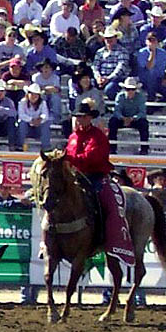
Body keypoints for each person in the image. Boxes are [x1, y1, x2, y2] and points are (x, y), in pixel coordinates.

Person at [64, 100, 136, 266]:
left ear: (90, 118)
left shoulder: (99, 136)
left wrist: (69, 158)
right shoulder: (73, 137)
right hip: (76, 175)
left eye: (83, 117)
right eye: (78, 117)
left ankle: (108, 235)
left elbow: (92, 158)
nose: (80, 120)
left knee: (106, 204)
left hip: (95, 176)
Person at [0, 184, 35, 304]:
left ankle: (26, 298)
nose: (5, 190)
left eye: (7, 187)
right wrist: (18, 203)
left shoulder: (13, 201)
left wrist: (25, 204)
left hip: (13, 238)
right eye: (2, 187)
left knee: (23, 265)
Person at [108, 77, 150, 155]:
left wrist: (133, 118)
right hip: (122, 119)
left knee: (144, 124)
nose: (130, 91)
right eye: (128, 89)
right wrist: (122, 118)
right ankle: (112, 148)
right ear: (124, 89)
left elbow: (142, 112)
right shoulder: (120, 96)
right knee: (112, 122)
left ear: (136, 89)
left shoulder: (141, 97)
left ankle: (144, 148)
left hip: (135, 120)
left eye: (132, 89)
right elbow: (117, 111)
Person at [92, 25, 131, 100]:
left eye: (111, 38)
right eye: (107, 38)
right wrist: (98, 77)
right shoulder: (99, 52)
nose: (108, 40)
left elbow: (121, 68)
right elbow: (95, 67)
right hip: (101, 78)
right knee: (89, 85)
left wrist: (108, 78)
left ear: (116, 38)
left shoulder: (122, 51)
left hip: (116, 79)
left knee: (109, 89)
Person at [136, 31, 166, 101]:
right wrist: (152, 52)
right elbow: (149, 66)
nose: (152, 42)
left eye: (154, 40)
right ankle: (151, 101)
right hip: (145, 81)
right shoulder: (141, 53)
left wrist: (165, 79)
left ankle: (158, 105)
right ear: (146, 41)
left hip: (160, 80)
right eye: (150, 40)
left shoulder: (163, 53)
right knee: (151, 75)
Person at [18, 83, 51, 151]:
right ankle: (20, 145)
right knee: (22, 123)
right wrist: (31, 120)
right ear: (28, 94)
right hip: (26, 128)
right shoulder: (22, 102)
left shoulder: (43, 103)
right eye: (32, 94)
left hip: (38, 128)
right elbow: (21, 115)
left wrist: (39, 119)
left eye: (36, 94)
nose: (34, 96)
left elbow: (45, 115)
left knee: (46, 123)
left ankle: (46, 147)